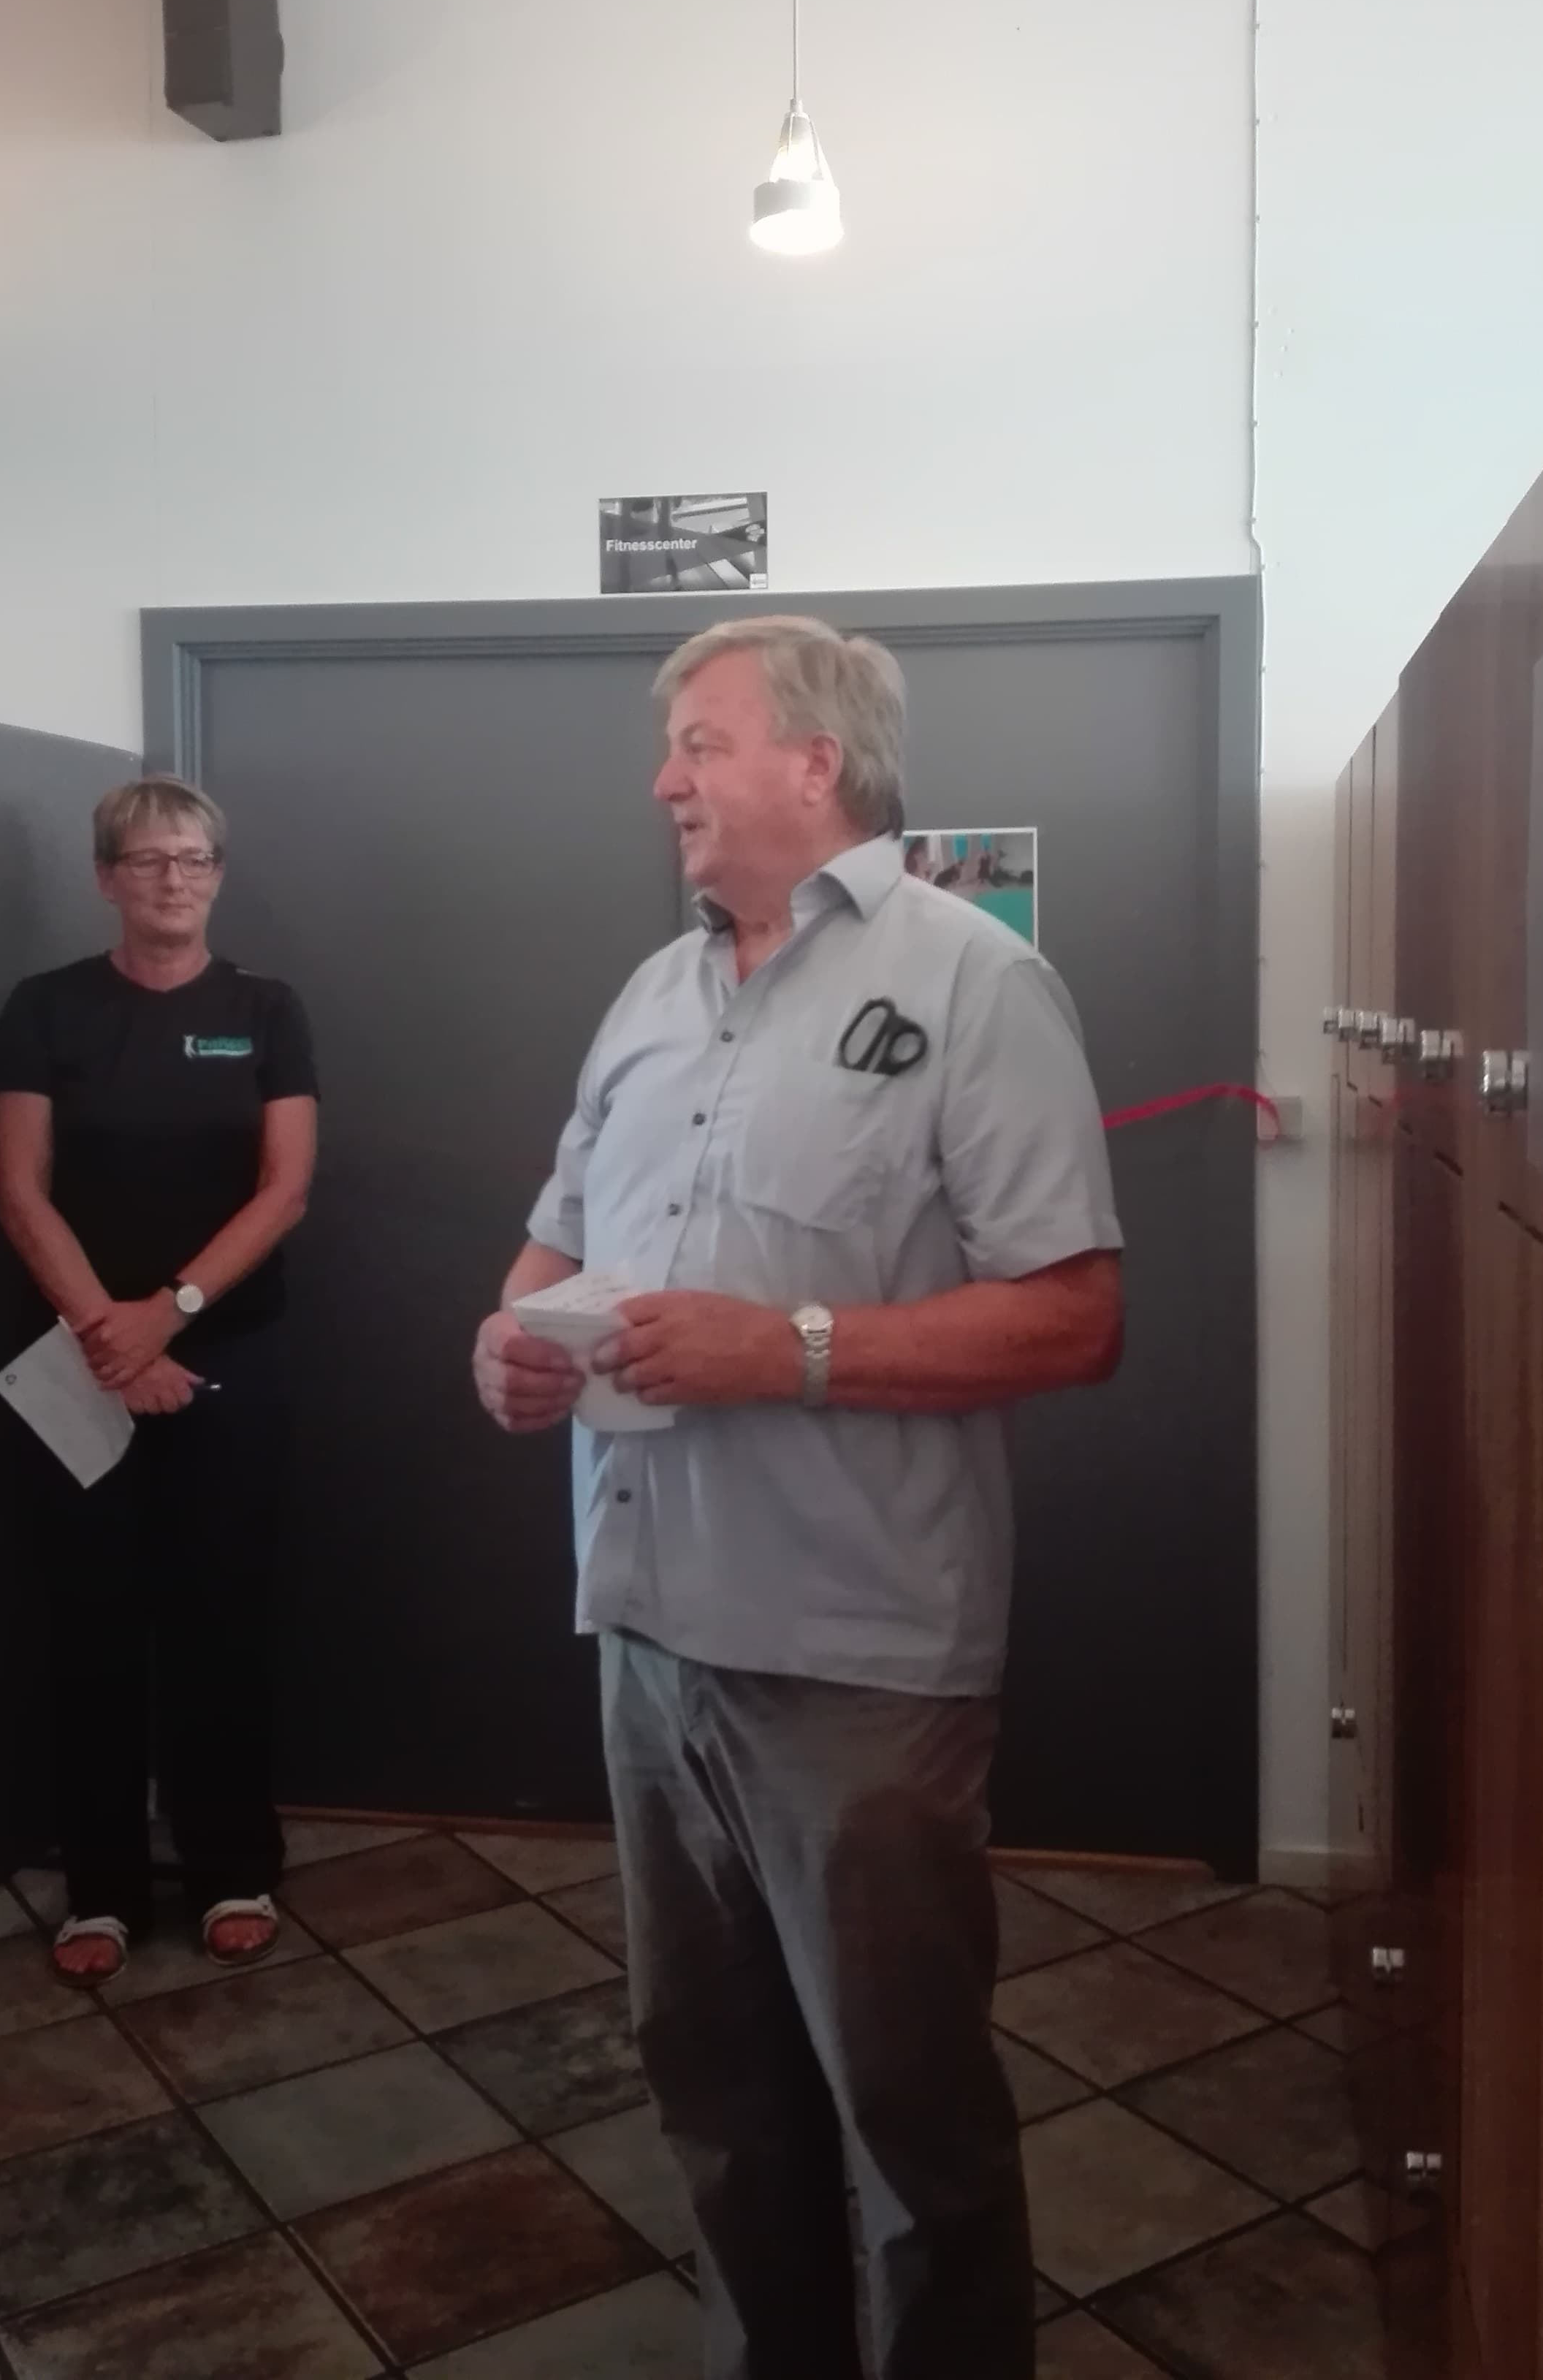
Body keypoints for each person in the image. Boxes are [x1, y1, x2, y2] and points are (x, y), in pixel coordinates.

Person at [471, 615, 1122, 2380]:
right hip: (646, 1634)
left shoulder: (976, 980)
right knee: (714, 2090)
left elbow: (1076, 1315)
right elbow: (557, 1234)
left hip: (859, 1656)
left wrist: (791, 1348)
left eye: (700, 741)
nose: (663, 780)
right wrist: (510, 1337)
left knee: (909, 2112)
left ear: (816, 761)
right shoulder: (650, 994)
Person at [0, 775, 318, 1987]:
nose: (172, 879)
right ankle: (103, 1888)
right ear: (105, 878)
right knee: (90, 1627)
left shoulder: (265, 1009)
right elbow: (19, 1189)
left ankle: (233, 1865)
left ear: (218, 873)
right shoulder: (47, 1008)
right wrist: (108, 1339)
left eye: (192, 858)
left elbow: (284, 1190)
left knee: (222, 1617)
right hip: (80, 1365)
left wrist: (166, 1315)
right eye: (145, 860)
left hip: (230, 1355)